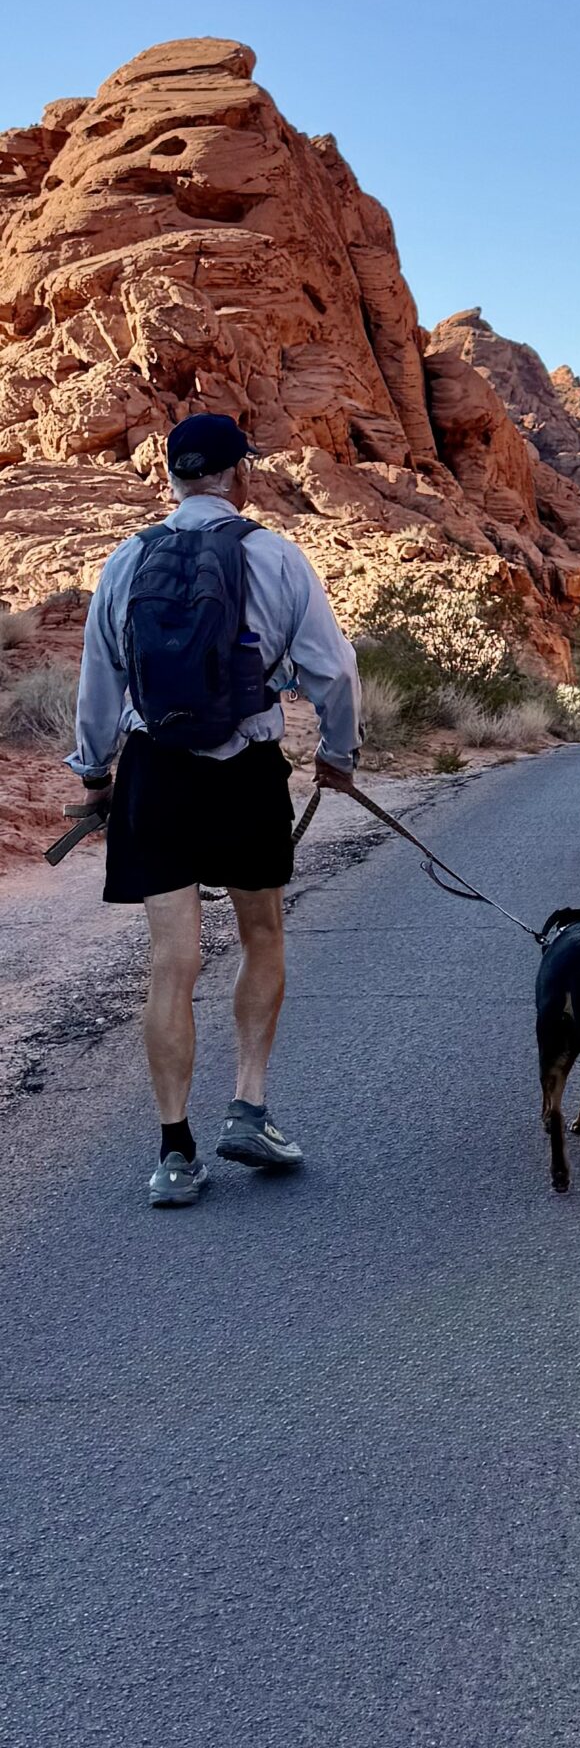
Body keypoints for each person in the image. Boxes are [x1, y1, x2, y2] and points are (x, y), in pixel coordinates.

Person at [67, 412, 361, 1208]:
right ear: (242, 476)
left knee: (173, 962)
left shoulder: (126, 561)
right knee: (261, 933)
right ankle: (250, 1107)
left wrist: (96, 775)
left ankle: (172, 1153)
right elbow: (332, 671)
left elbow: (98, 683)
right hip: (244, 771)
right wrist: (339, 754)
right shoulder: (276, 555)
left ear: (169, 478)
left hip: (154, 774)